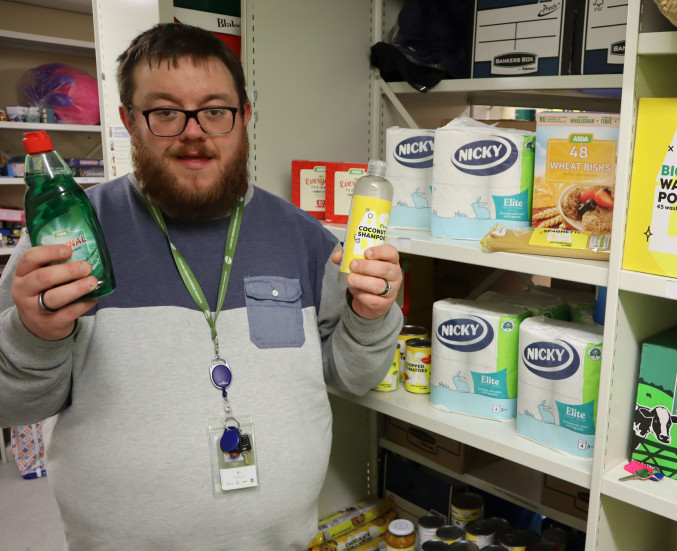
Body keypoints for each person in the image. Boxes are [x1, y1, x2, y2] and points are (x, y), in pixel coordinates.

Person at [0, 23, 403, 550]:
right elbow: (13, 406)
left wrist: (371, 317)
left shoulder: (304, 237)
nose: (194, 131)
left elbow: (354, 377)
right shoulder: (65, 239)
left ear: (245, 117)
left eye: (215, 110)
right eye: (165, 112)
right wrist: (35, 335)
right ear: (128, 121)